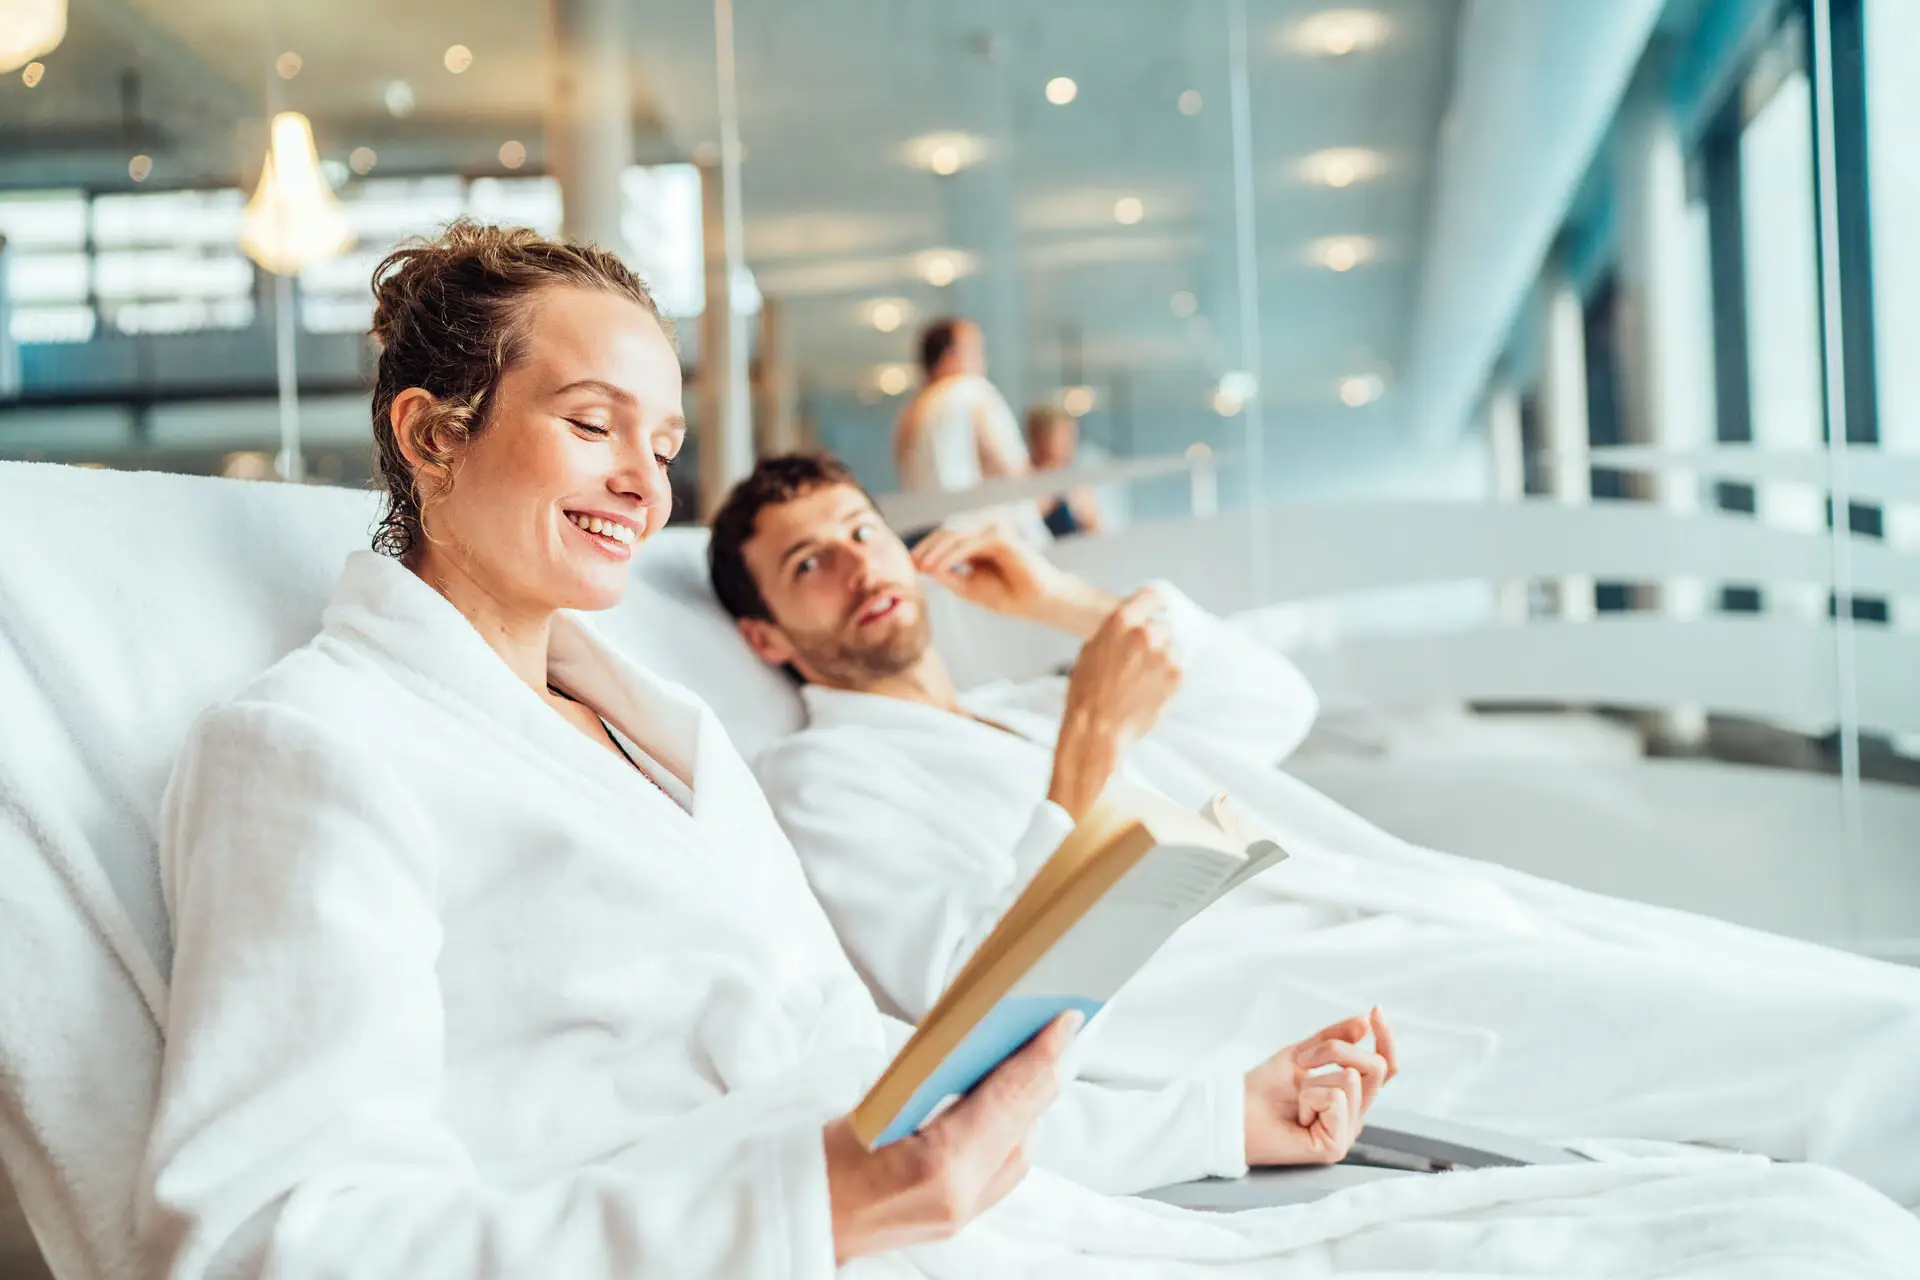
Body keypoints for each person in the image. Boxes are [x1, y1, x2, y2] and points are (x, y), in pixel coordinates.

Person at [134, 227, 1920, 1279]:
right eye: (586, 421)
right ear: (432, 435)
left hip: (990, 1218)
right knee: (1793, 1242)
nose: (635, 479)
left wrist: (1216, 1116)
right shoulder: (313, 750)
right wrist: (803, 1199)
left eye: (658, 438)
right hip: (815, 1248)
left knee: (1794, 1219)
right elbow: (272, 1235)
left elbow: (887, 1067)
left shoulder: (657, 734)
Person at [711, 452, 1920, 1212]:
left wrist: (1070, 609)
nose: (858, 564)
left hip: (1414, 916)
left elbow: (1266, 704)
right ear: (768, 636)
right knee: (1806, 1048)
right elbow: (965, 987)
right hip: (1317, 1002)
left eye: (863, 528)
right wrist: (1088, 751)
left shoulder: (1017, 704)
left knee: (1796, 992)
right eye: (808, 562)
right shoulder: (823, 782)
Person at [1025, 405, 1103, 538]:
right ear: (1040, 436)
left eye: (1072, 436)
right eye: (1063, 436)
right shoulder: (1023, 476)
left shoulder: (1075, 482)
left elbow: (1095, 531)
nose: (1069, 443)